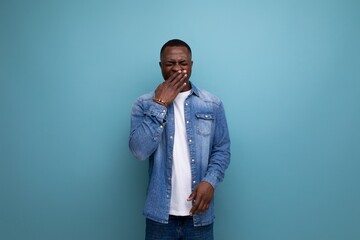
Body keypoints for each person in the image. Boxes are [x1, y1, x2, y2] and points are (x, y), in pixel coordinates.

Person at [129, 39, 231, 240]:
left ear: (191, 64)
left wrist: (210, 182)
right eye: (170, 64)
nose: (177, 69)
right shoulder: (143, 104)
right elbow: (139, 151)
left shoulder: (212, 104)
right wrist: (159, 104)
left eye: (183, 63)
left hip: (199, 215)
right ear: (161, 66)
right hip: (160, 216)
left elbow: (222, 149)